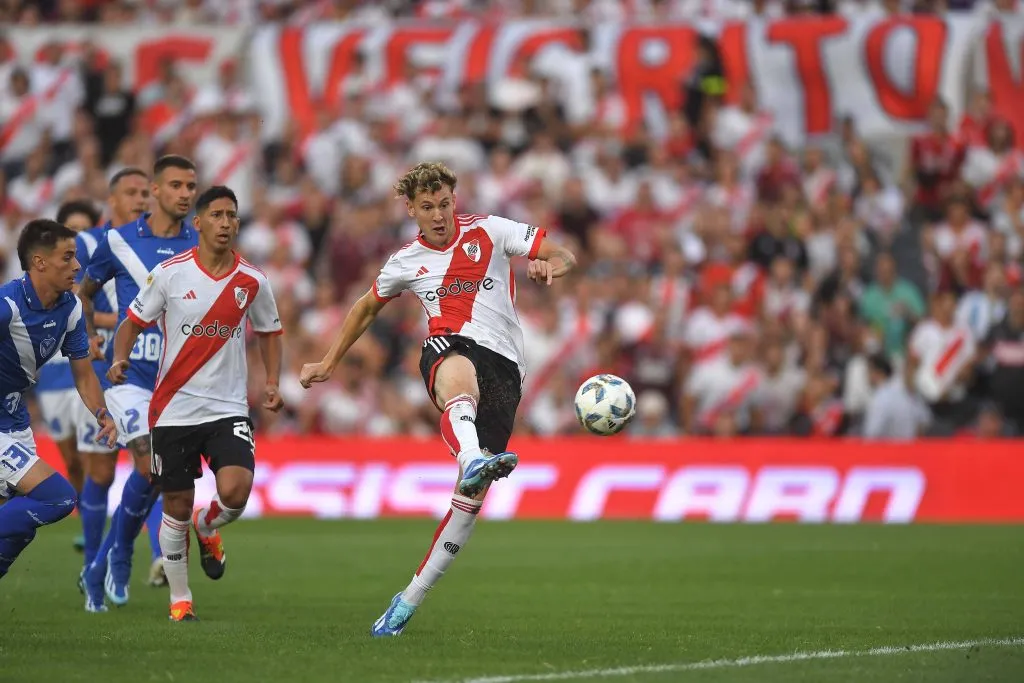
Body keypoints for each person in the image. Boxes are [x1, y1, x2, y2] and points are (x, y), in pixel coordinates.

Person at [298, 162, 577, 637]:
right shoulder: (405, 261)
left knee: (470, 498)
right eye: (427, 207)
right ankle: (470, 457)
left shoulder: (491, 230)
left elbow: (563, 252)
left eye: (444, 204)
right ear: (411, 209)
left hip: (506, 368)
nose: (439, 214)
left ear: (455, 199)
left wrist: (549, 264)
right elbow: (366, 306)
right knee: (455, 372)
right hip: (449, 346)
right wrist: (328, 361)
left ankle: (409, 599)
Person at [109, 186, 283, 621]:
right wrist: (119, 358)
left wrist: (273, 382)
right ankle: (180, 601)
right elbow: (132, 323)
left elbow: (270, 332)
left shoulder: (252, 280)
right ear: (199, 223)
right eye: (218, 215)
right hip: (172, 409)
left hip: (227, 409)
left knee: (236, 492)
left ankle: (208, 528)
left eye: (232, 215)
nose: (226, 223)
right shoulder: (170, 274)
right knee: (176, 506)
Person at [78, 156, 198, 611]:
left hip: (180, 381)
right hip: (129, 375)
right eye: (176, 185)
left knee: (158, 478)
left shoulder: (201, 241)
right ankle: (122, 553)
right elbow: (84, 293)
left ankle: (102, 561)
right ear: (156, 191)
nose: (186, 194)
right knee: (147, 463)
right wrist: (86, 335)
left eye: (192, 186)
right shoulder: (118, 240)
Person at [0, 219, 118, 581]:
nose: (77, 266)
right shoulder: (7, 305)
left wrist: (103, 413)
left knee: (19, 527)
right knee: (58, 498)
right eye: (67, 258)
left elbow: (83, 374)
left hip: (16, 422)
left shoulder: (69, 308)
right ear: (39, 263)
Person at [73, 168, 167, 588]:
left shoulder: (160, 245)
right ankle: (94, 561)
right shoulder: (91, 243)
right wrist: (92, 332)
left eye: (146, 193)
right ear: (111, 200)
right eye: (131, 192)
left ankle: (158, 557)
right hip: (96, 370)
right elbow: (73, 298)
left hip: (142, 369)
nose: (141, 199)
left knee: (151, 466)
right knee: (101, 472)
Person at [34, 200, 101, 553]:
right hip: (51, 381)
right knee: (71, 460)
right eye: (72, 229)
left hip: (83, 374)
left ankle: (92, 527)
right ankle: (84, 518)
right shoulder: (48, 282)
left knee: (91, 457)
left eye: (84, 229)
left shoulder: (94, 274)